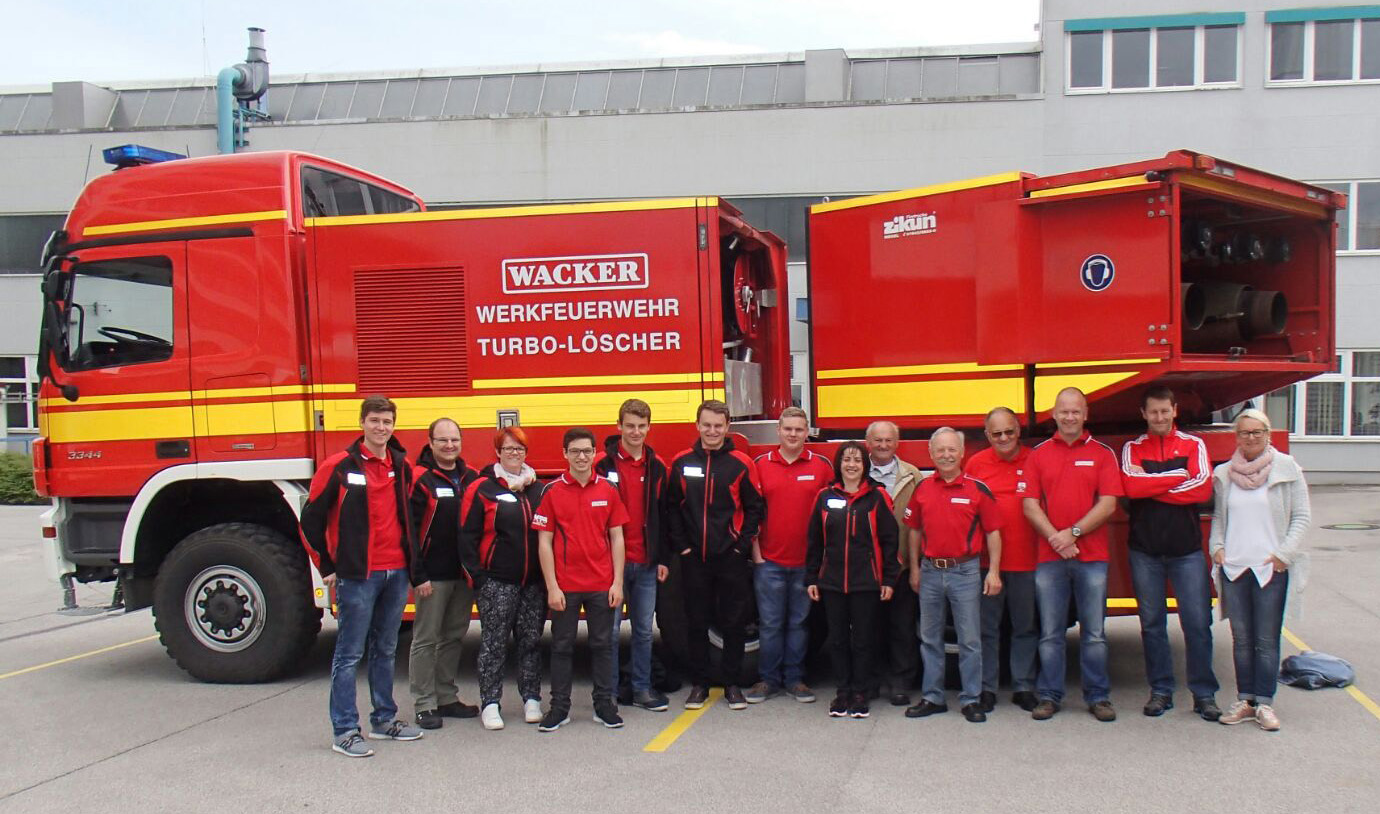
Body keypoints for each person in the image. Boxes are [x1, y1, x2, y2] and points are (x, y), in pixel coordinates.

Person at [300, 395, 425, 758]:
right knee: (349, 655)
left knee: (386, 649)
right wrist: (327, 566)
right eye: (374, 421)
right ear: (362, 424)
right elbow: (310, 520)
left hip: (396, 572)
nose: (381, 428)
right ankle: (344, 731)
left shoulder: (401, 466)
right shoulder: (338, 466)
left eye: (387, 422)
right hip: (358, 576)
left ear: (393, 426)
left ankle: (384, 720)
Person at [1022, 387, 1124, 722]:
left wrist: (1073, 533)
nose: (1069, 417)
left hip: (1091, 557)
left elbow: (1109, 503)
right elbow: (1029, 504)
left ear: (1085, 415)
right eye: (1063, 411)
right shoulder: (1038, 454)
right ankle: (1049, 696)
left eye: (1075, 411)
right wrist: (1056, 538)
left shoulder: (1102, 453)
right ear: (1054, 413)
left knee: (1094, 633)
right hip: (1051, 557)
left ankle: (1098, 696)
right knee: (1050, 633)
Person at [1120, 386, 1220, 721]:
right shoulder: (1132, 447)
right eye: (1153, 412)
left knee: (1197, 623)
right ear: (1143, 414)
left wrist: (1153, 485)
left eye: (1165, 411)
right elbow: (1130, 487)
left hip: (1186, 551)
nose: (1159, 417)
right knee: (1151, 625)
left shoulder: (1194, 445)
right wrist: (1178, 477)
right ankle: (1161, 691)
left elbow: (1203, 488)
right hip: (1144, 551)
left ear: (1174, 410)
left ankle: (1204, 694)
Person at [1210, 408, 1311, 732]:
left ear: (1268, 434)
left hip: (1270, 568)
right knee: (1241, 639)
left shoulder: (1286, 469)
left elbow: (1301, 517)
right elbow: (1219, 520)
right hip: (1236, 568)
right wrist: (1218, 549)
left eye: (1257, 432)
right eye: (1244, 433)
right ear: (1236, 437)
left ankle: (1265, 703)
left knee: (1266, 640)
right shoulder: (1225, 474)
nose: (1250, 438)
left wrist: (1284, 555)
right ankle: (1245, 699)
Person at [665, 399, 765, 710]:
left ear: (727, 427)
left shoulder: (740, 463)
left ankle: (732, 685)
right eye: (706, 425)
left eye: (718, 426)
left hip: (730, 557)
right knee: (696, 621)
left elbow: (755, 508)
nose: (712, 431)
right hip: (694, 557)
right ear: (697, 426)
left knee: (733, 622)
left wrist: (741, 546)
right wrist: (683, 546)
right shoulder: (681, 462)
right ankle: (700, 685)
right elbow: (671, 507)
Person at [904, 428, 1003, 723]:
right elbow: (914, 530)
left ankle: (971, 699)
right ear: (931, 454)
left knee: (970, 639)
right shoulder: (922, 489)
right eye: (940, 450)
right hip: (931, 571)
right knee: (929, 638)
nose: (946, 455)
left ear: (962, 454)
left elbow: (994, 532)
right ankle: (932, 696)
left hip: (965, 571)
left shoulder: (977, 489)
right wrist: (914, 568)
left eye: (951, 450)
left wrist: (994, 572)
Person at [533, 427, 629, 731]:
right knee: (561, 647)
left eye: (587, 450)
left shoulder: (608, 490)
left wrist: (617, 583)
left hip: (602, 584)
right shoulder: (552, 491)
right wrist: (551, 587)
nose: (582, 457)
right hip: (565, 587)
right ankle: (559, 708)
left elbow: (617, 538)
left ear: (594, 453)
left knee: (603, 645)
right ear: (565, 454)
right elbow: (544, 542)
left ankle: (604, 705)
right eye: (575, 451)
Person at [459, 426, 548, 731]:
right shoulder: (482, 488)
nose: (514, 454)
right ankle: (491, 703)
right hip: (496, 583)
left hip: (533, 584)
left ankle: (532, 699)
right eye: (508, 448)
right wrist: (478, 578)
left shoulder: (538, 489)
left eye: (520, 449)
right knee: (494, 644)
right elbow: (466, 536)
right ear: (497, 452)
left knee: (531, 642)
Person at [747, 406, 834, 704]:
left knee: (798, 623)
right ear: (778, 431)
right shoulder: (760, 464)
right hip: (769, 562)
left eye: (799, 429)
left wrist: (822, 559)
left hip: (806, 564)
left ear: (807, 431)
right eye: (788, 429)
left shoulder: (822, 466)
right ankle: (768, 680)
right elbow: (752, 513)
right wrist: (756, 554)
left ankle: (795, 680)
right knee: (770, 624)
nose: (793, 434)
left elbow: (830, 515)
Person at [805, 441, 899, 718]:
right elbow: (814, 541)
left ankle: (861, 691)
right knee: (837, 640)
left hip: (866, 582)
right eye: (846, 459)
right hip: (831, 582)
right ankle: (842, 692)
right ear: (839, 464)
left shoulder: (877, 497)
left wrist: (889, 580)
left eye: (857, 460)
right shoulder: (824, 496)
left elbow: (890, 541)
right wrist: (812, 577)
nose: (851, 464)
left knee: (863, 640)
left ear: (865, 465)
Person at [594, 398, 672, 712]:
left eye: (641, 426)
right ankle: (609, 693)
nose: (636, 432)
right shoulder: (603, 464)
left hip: (647, 562)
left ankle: (641, 688)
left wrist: (663, 558)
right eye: (630, 426)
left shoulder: (658, 466)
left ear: (649, 428)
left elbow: (665, 516)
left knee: (643, 631)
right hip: (611, 565)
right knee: (610, 632)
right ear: (619, 427)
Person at [408, 417, 483, 730]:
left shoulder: (471, 478)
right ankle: (424, 703)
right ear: (430, 442)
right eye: (442, 440)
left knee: (453, 637)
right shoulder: (421, 480)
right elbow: (410, 532)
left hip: (462, 575)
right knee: (426, 639)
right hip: (432, 576)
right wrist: (418, 574)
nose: (449, 445)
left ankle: (446, 697)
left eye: (454, 440)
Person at [964, 406, 1040, 713]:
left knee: (1025, 627)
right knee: (986, 629)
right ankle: (987, 688)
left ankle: (1023, 686)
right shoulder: (976, 464)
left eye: (1009, 431)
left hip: (1028, 561)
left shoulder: (1036, 459)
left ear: (1018, 430)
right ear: (987, 436)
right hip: (986, 564)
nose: (1004, 438)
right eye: (996, 434)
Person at [864, 420, 923, 706]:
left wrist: (916, 565)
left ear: (897, 444)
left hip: (901, 565)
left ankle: (900, 683)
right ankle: (872, 681)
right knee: (869, 628)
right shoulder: (858, 473)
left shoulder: (912, 476)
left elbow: (922, 521)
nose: (883, 446)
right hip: (866, 567)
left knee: (902, 628)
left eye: (888, 440)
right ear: (868, 444)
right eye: (878, 441)